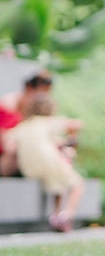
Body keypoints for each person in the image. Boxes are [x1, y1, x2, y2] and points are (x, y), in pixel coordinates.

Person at [10, 93, 85, 232]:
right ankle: (67, 215)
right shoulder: (48, 122)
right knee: (78, 184)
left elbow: (12, 145)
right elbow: (77, 124)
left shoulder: (23, 126)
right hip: (49, 161)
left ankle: (55, 216)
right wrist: (73, 137)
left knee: (58, 185)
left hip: (28, 167)